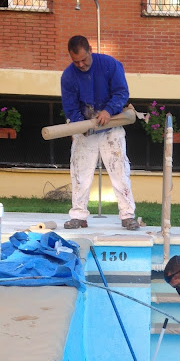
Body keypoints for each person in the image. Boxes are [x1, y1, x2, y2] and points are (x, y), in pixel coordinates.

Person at [60, 35, 139, 231]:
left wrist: (108, 110)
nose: (80, 64)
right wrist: (82, 125)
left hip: (111, 125)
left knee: (119, 170)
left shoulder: (110, 65)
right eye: (75, 61)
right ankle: (78, 215)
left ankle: (128, 215)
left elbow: (121, 93)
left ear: (90, 50)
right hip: (85, 130)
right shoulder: (68, 76)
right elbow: (70, 108)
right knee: (80, 172)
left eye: (84, 59)